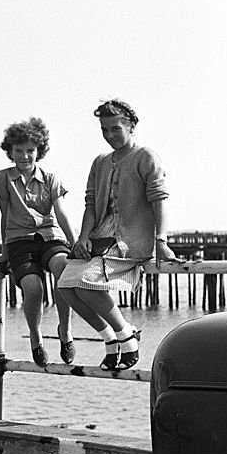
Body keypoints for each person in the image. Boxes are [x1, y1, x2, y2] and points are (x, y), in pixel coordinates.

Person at [56, 98, 176, 370]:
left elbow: (159, 200)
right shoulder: (100, 162)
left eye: (115, 129)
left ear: (131, 126)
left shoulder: (146, 156)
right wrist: (83, 238)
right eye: (104, 130)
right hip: (100, 236)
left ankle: (127, 335)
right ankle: (110, 338)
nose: (110, 135)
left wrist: (161, 241)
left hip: (129, 240)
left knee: (87, 281)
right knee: (65, 287)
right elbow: (89, 204)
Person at [0, 117, 77, 366]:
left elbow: (61, 213)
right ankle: (36, 336)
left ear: (40, 151)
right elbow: (5, 217)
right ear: (10, 152)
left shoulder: (51, 178)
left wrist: (75, 244)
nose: (25, 156)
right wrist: (4, 254)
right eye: (19, 150)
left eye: (30, 150)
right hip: (20, 241)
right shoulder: (3, 178)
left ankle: (65, 330)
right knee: (33, 287)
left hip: (50, 237)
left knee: (63, 269)